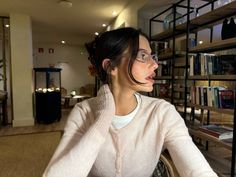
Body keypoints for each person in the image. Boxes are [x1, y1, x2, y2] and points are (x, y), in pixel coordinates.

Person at [43, 27, 218, 177]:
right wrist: (103, 118)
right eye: (143, 56)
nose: (155, 64)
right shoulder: (83, 112)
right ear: (111, 66)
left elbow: (198, 171)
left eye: (152, 56)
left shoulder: (162, 112)